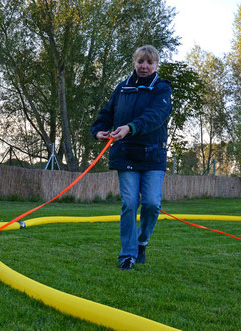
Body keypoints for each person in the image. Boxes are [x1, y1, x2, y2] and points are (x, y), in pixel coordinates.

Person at [90, 45, 172, 270]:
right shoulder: (122, 88)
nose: (144, 66)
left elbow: (155, 116)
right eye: (140, 62)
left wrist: (130, 127)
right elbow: (106, 114)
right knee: (129, 203)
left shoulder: (162, 89)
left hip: (153, 155)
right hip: (125, 154)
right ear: (134, 63)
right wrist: (98, 131)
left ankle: (142, 241)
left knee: (152, 204)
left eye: (149, 63)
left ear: (156, 65)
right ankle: (127, 254)